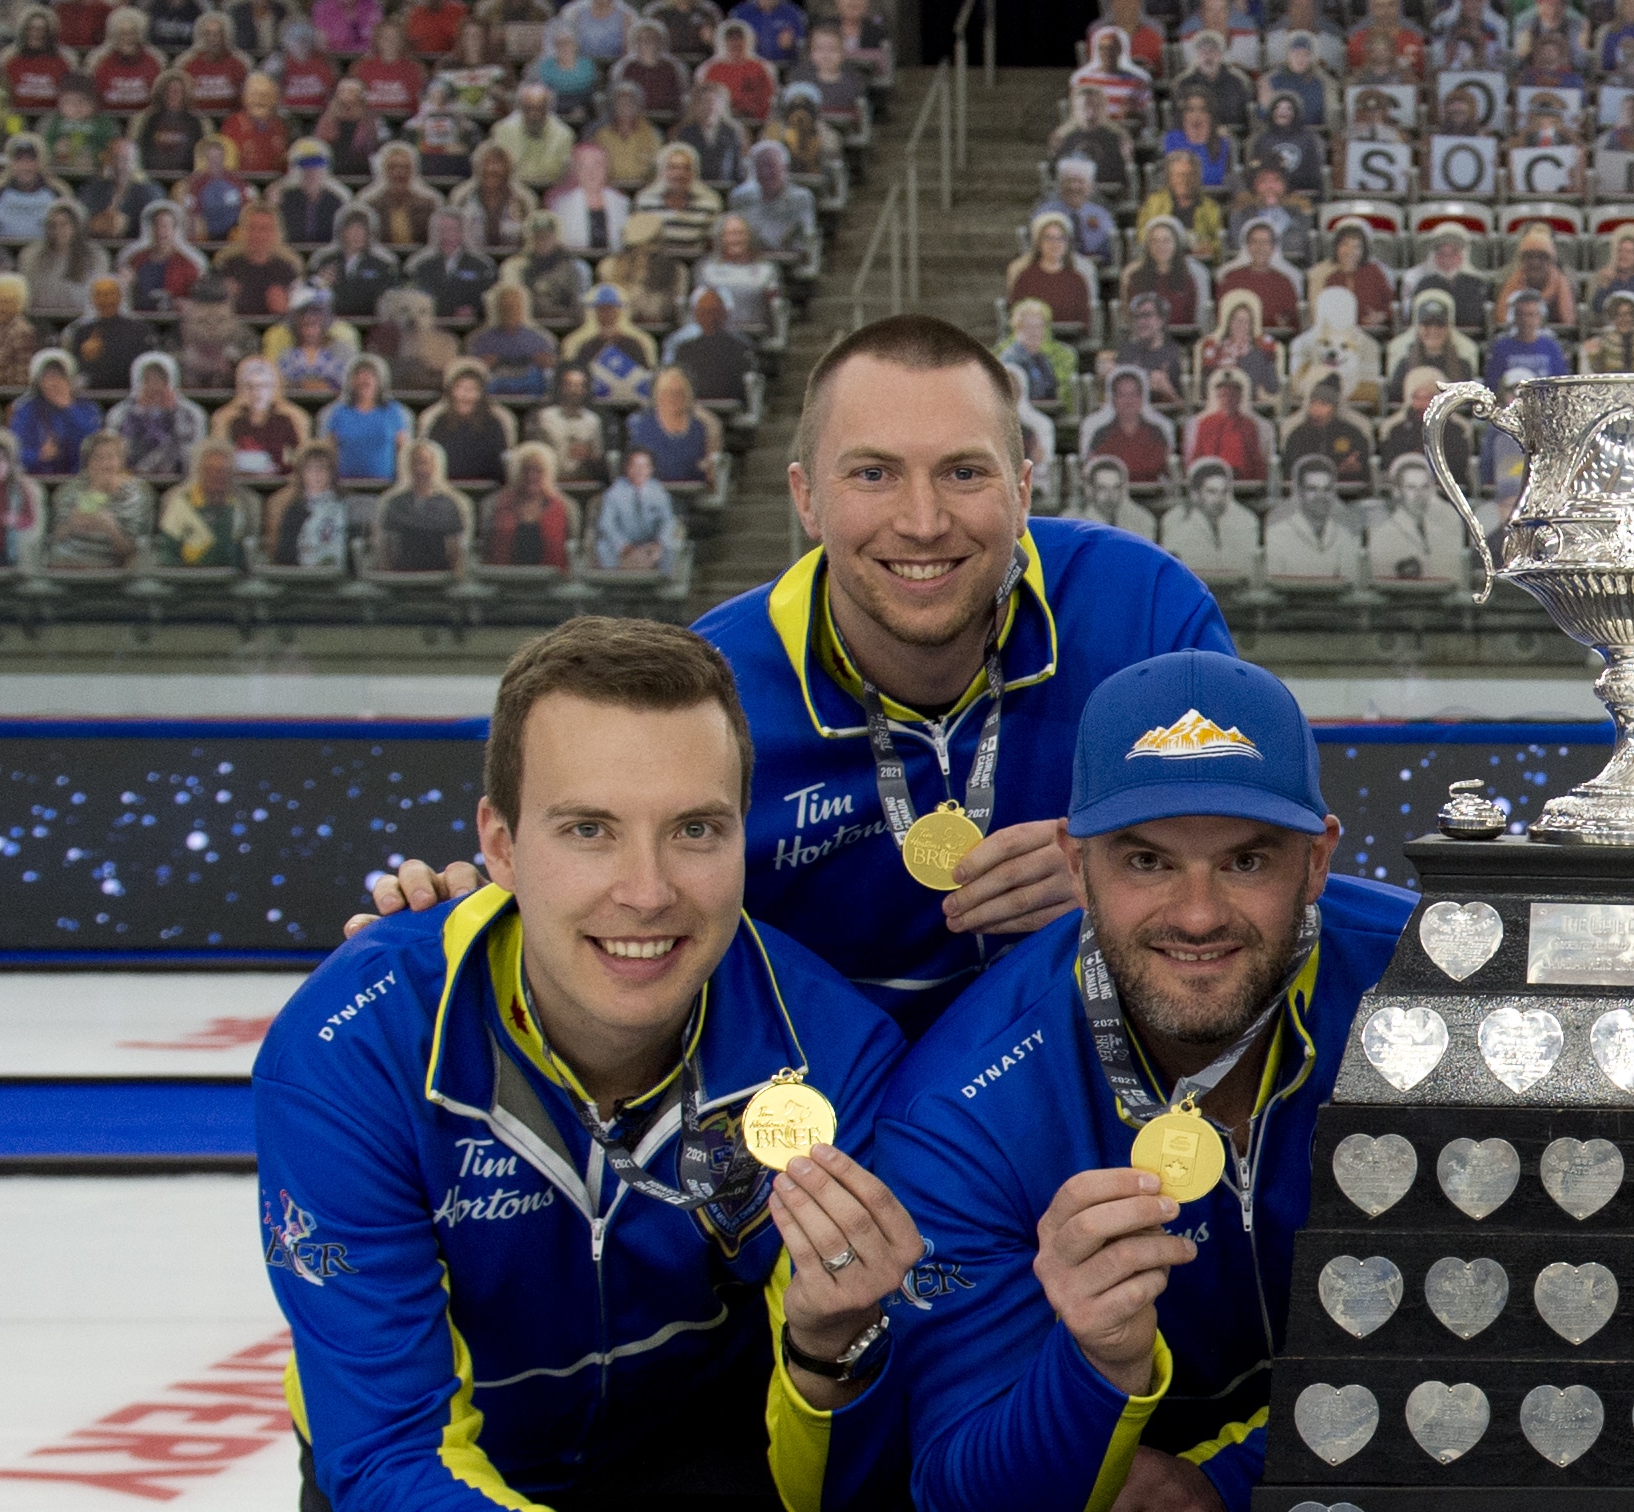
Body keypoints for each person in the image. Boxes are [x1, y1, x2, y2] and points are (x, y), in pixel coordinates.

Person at [256, 617, 939, 1512]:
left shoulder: (835, 1053)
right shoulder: (358, 1042)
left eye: (695, 831)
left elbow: (849, 1508)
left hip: (708, 1471)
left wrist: (826, 1354)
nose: (647, 890)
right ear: (498, 843)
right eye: (588, 830)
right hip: (424, 1483)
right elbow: (386, 1448)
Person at [352, 316, 1233, 1033]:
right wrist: (463, 914)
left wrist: (1129, 870)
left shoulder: (1146, 615)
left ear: (1025, 490)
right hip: (817, 1120)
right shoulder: (710, 690)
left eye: (964, 473)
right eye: (874, 475)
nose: (921, 522)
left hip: (1102, 1087)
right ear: (806, 498)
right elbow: (604, 902)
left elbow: (1264, 871)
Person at [866, 650, 1413, 1512]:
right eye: (1147, 861)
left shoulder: (1437, 991)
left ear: (1317, 860)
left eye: (1246, 859)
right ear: (1077, 867)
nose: (1196, 915)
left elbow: (1526, 1334)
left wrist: (1238, 1480)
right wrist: (1096, 1366)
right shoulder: (962, 1111)